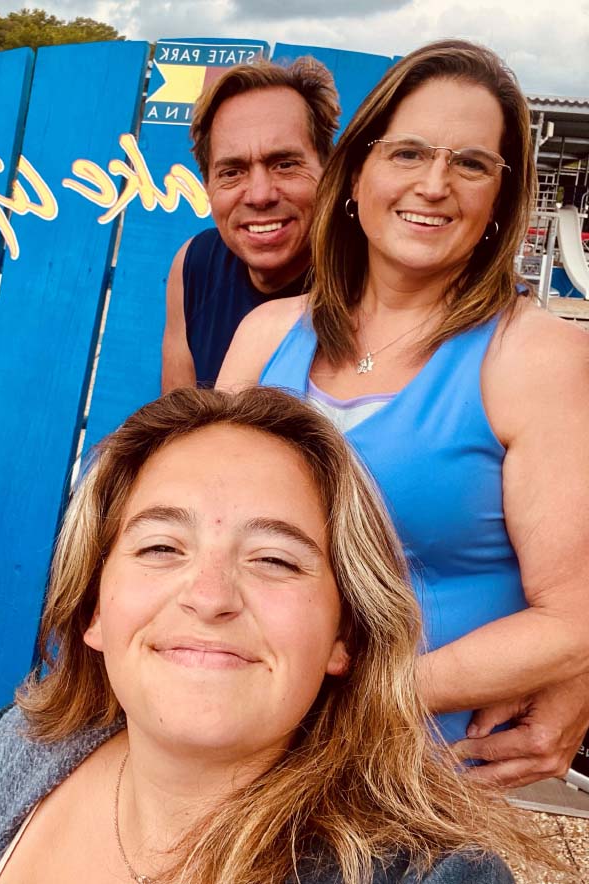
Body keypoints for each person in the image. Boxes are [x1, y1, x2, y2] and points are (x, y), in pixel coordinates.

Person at [0, 387, 548, 884]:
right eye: (160, 547)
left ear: (346, 635)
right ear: (94, 611)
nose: (209, 598)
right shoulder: (14, 752)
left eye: (275, 560)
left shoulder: (427, 877)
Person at [217, 39, 589, 787]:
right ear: (358, 172)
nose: (436, 184)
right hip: (236, 741)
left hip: (406, 777)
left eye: (472, 164)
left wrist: (351, 702)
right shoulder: (265, 337)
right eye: (409, 153)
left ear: (499, 201)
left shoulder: (536, 357)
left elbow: (575, 619)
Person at [161, 58, 339, 391]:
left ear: (327, 171)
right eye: (232, 172)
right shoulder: (194, 266)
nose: (260, 195)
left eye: (285, 164)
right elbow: (177, 425)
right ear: (208, 185)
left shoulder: (371, 282)